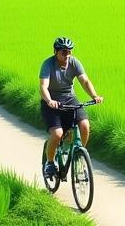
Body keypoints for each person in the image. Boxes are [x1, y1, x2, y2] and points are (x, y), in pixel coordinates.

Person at [40, 36, 104, 179]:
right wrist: (49, 100)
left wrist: (94, 96)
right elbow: (43, 86)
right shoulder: (48, 64)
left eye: (69, 51)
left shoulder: (74, 62)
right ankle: (50, 162)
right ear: (55, 51)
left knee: (85, 125)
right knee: (57, 134)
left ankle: (79, 154)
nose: (67, 55)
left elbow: (84, 81)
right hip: (51, 102)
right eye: (63, 52)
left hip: (70, 99)